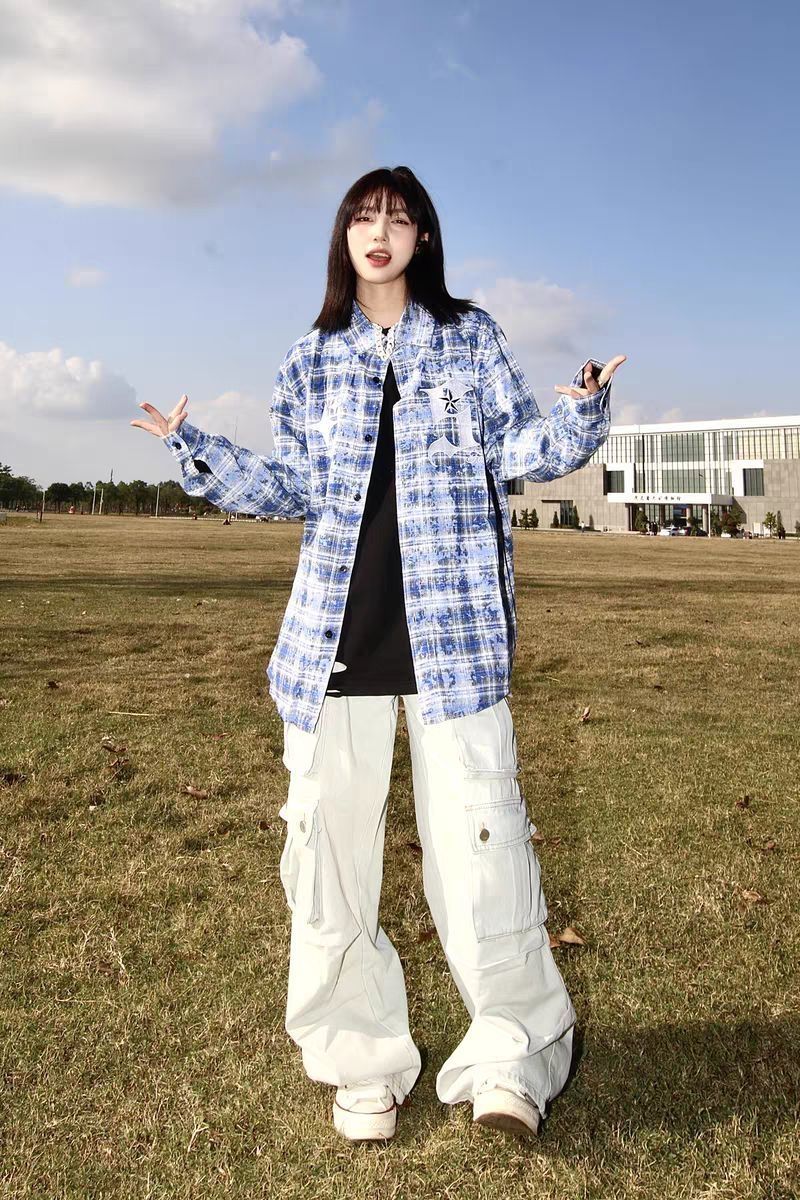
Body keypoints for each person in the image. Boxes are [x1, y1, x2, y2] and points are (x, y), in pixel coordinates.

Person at [131, 165, 626, 1144]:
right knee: (330, 867)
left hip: (454, 640)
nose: (380, 232)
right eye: (363, 217)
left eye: (398, 218)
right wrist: (197, 449)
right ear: (344, 236)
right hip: (336, 643)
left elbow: (518, 449)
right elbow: (288, 485)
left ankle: (511, 1061)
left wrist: (579, 411)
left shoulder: (471, 337)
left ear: (423, 238)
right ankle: (360, 1064)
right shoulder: (308, 358)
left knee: (484, 857)